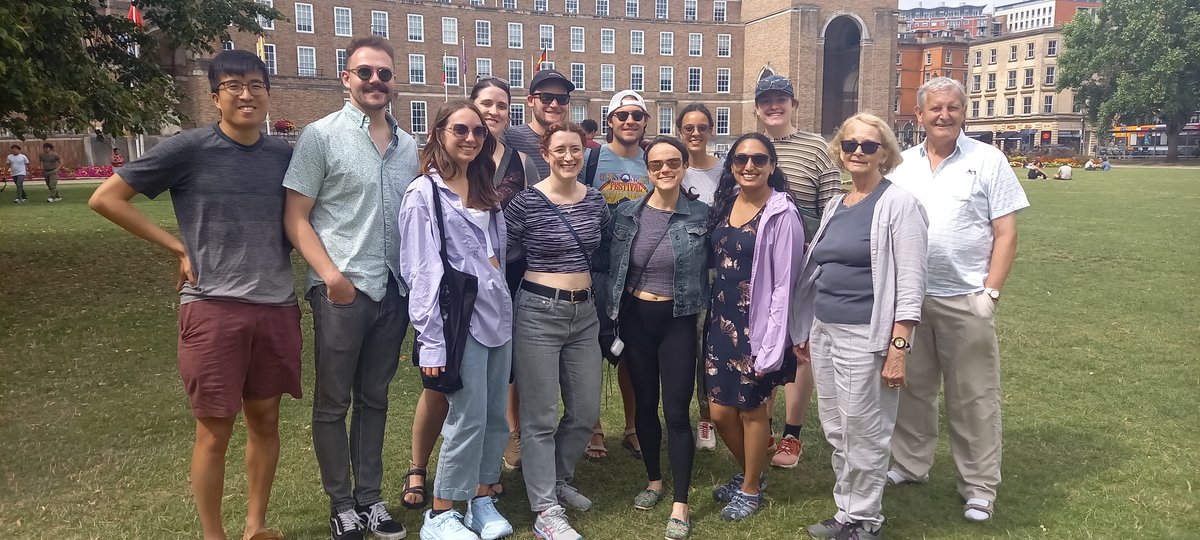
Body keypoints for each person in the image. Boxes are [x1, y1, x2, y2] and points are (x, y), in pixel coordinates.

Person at [88, 49, 300, 540]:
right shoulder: (187, 149)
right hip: (213, 307)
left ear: (268, 92)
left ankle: (256, 526)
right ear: (214, 97)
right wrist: (176, 247)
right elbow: (106, 198)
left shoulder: (286, 157)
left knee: (266, 421)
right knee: (215, 430)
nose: (246, 95)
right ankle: (213, 535)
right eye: (233, 86)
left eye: (256, 85)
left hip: (276, 305)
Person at [282, 36, 416, 540]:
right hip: (343, 290)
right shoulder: (320, 136)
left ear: (393, 79)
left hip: (393, 290)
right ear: (347, 78)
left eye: (384, 73)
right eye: (365, 72)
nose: (375, 81)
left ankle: (370, 499)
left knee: (376, 398)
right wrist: (332, 278)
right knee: (334, 402)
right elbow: (295, 218)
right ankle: (341, 503)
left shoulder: (408, 145)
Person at [888, 76, 1030, 523]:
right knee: (912, 389)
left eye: (952, 108)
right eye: (935, 109)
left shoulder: (988, 160)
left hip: (965, 297)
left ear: (963, 113)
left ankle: (979, 486)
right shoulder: (902, 164)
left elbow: (1006, 232)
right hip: (910, 298)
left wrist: (991, 292)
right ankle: (910, 464)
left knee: (973, 396)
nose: (944, 116)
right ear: (920, 116)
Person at [402, 77, 540, 511]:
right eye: (460, 129)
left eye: (478, 131)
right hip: (458, 321)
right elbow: (420, 272)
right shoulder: (424, 194)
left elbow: (495, 255)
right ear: (438, 134)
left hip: (498, 316)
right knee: (466, 417)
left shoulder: (484, 191)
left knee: (495, 414)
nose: (470, 137)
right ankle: (444, 506)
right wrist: (430, 342)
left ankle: (482, 490)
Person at [791, 113, 929, 540]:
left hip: (866, 335)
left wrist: (898, 348)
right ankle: (847, 511)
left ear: (884, 154)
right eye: (849, 144)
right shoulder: (838, 203)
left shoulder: (898, 204)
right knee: (837, 427)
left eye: (868, 146)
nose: (856, 152)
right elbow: (818, 267)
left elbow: (910, 283)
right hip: (827, 329)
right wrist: (806, 327)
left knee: (864, 430)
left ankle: (866, 519)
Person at [505, 122, 610, 540]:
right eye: (559, 150)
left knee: (584, 413)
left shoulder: (596, 200)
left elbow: (602, 247)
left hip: (585, 314)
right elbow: (501, 251)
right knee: (540, 417)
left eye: (575, 149)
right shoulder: (526, 203)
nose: (568, 157)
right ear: (545, 154)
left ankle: (559, 479)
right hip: (536, 311)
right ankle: (545, 510)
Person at [606, 136, 710, 540]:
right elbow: (609, 265)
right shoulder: (627, 214)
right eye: (656, 165)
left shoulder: (702, 214)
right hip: (636, 319)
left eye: (672, 163)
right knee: (645, 405)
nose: (664, 170)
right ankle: (654, 479)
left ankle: (680, 502)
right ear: (647, 170)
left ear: (685, 166)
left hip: (678, 320)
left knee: (677, 413)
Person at [705, 133, 804, 521]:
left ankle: (749, 488)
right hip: (721, 321)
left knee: (751, 410)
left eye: (759, 159)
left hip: (758, 327)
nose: (750, 166)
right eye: (742, 158)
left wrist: (773, 343)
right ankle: (753, 471)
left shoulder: (782, 213)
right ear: (731, 164)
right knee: (719, 412)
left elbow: (784, 285)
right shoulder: (727, 203)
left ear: (772, 166)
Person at [754, 74, 840, 470]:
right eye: (767, 100)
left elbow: (832, 208)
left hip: (804, 261)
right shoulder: (750, 148)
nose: (774, 106)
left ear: (793, 105)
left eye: (781, 100)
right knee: (762, 339)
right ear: (757, 108)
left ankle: (792, 433)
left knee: (799, 346)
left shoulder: (817, 147)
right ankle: (763, 424)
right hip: (761, 262)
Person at [674, 104, 722, 452]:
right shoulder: (671, 167)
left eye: (702, 127)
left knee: (708, 347)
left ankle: (707, 417)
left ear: (710, 131)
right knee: (681, 349)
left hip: (713, 270)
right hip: (676, 272)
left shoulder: (724, 171)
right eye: (688, 127)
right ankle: (678, 418)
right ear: (679, 131)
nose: (695, 133)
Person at [504, 69, 575, 179]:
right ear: (531, 100)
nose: (554, 104)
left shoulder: (575, 142)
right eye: (546, 98)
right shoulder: (509, 138)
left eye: (562, 99)